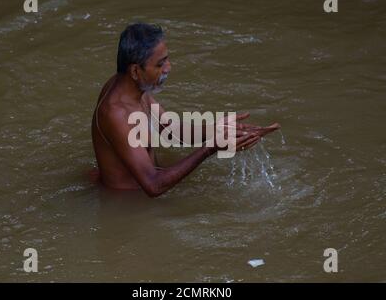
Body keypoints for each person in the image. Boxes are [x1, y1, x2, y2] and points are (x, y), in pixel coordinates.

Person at [91, 23, 279, 197]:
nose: (168, 68)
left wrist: (218, 130)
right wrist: (211, 147)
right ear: (135, 71)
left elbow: (169, 130)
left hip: (144, 187)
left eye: (167, 59)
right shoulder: (116, 113)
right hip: (129, 205)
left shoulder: (133, 87)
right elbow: (153, 185)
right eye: (160, 64)